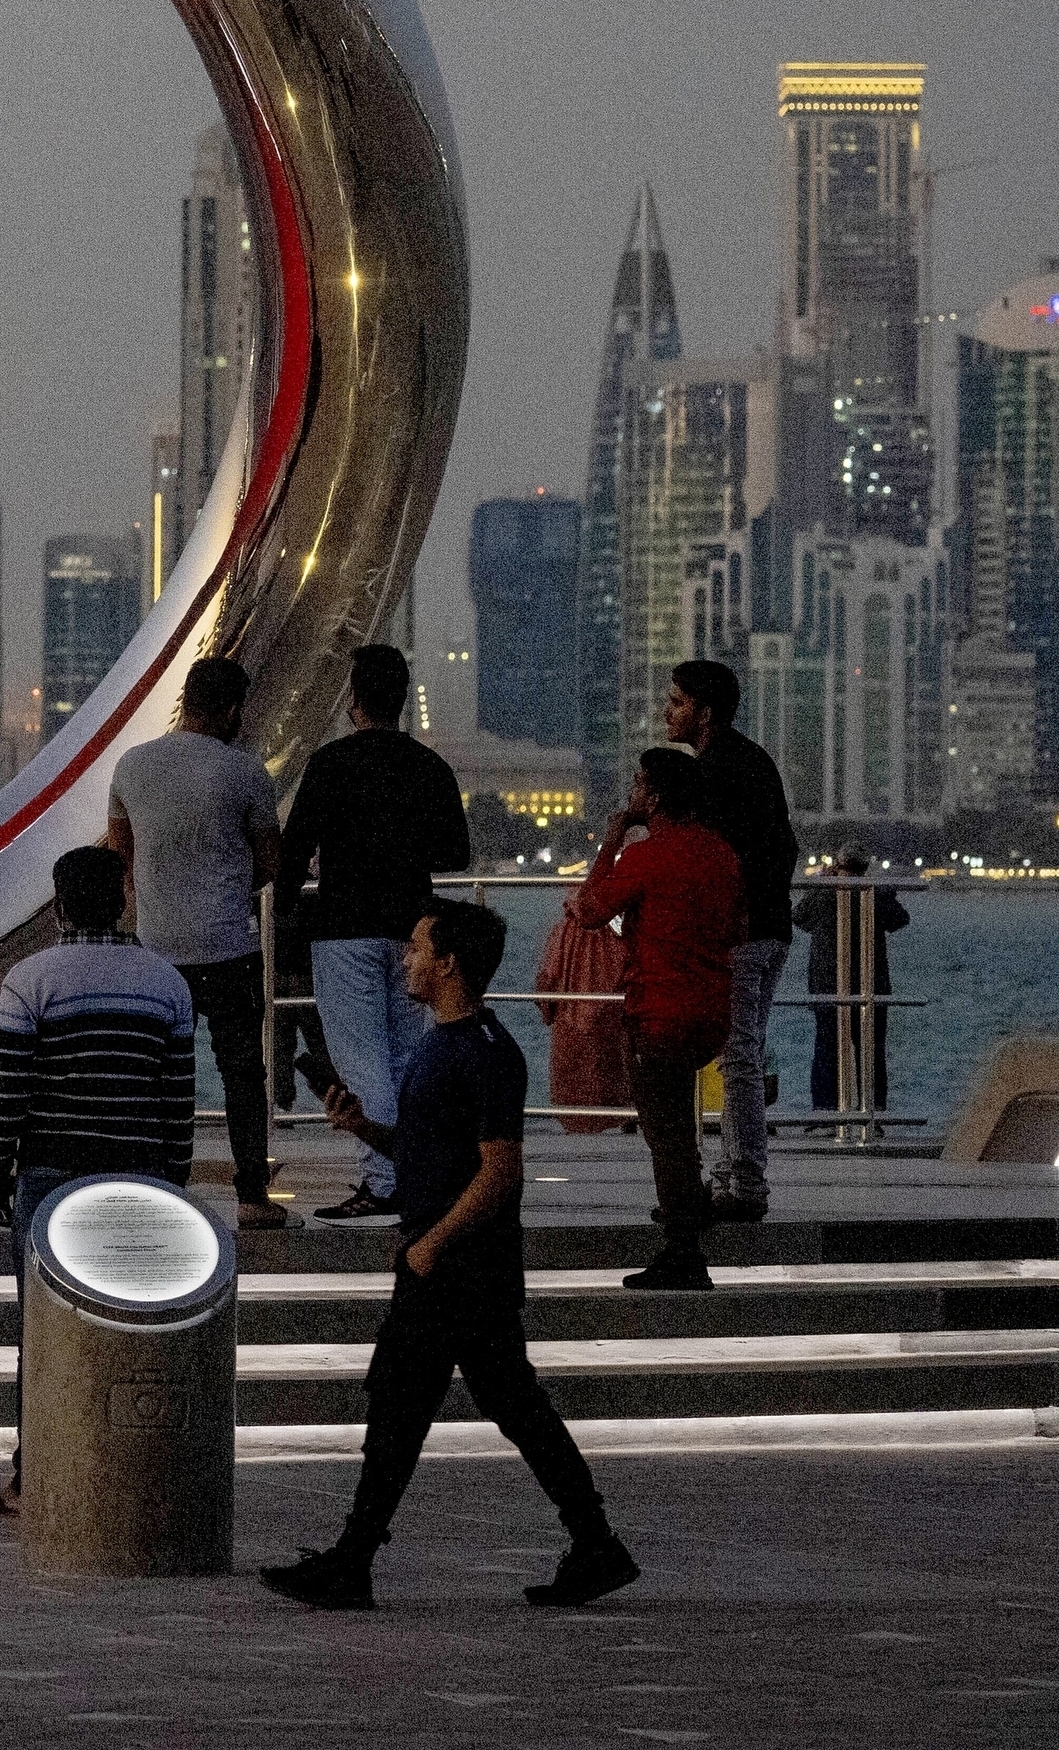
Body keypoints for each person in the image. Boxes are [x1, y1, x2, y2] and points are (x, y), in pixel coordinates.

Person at [261, 900, 637, 1611]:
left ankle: (355, 1560)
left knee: (411, 1408)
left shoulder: (485, 1054)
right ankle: (592, 1542)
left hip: (459, 1267)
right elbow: (432, 1155)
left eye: (416, 948)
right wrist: (365, 1128)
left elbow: (500, 1169)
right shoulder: (443, 1048)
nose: (406, 959)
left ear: (449, 962)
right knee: (489, 1405)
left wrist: (430, 1245)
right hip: (456, 1264)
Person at [0, 843, 196, 1517]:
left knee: (41, 1335)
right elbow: (177, 1099)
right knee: (133, 1330)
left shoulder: (32, 978)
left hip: (51, 1180)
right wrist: (173, 1182)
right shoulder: (168, 983)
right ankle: (131, 1471)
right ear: (124, 898)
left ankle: (33, 1478)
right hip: (140, 1180)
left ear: (60, 906)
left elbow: (5, 1091)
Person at [273, 643, 466, 1225]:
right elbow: (455, 852)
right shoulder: (428, 766)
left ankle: (387, 1181)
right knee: (407, 1056)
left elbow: (293, 854)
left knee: (359, 1061)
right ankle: (416, 1170)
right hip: (412, 931)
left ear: (353, 699)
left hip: (344, 930)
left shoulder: (331, 763)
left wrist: (281, 914)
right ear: (403, 699)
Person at [106, 653, 289, 1228]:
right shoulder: (245, 773)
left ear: (185, 700)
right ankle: (252, 1196)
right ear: (233, 710)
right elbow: (270, 862)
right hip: (230, 946)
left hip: (159, 951)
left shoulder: (131, 768)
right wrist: (228, 884)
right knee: (242, 1076)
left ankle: (166, 1190)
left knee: (163, 1079)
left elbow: (119, 858)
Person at [566, 746, 741, 1291]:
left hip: (659, 1012)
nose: (633, 794)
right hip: (710, 1012)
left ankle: (683, 1250)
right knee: (678, 1132)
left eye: (639, 785)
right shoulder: (722, 854)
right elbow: (737, 926)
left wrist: (615, 835)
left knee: (666, 1137)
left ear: (655, 797)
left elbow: (589, 909)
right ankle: (687, 1219)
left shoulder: (646, 855)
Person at [666, 658, 801, 1223]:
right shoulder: (754, 760)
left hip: (741, 936)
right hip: (772, 929)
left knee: (739, 1058)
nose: (666, 712)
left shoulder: (712, 773)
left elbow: (710, 862)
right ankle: (739, 1176)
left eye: (676, 703)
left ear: (705, 712)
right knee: (742, 1053)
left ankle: (744, 1183)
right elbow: (785, 849)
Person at [806, 844, 908, 1112]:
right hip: (870, 984)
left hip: (828, 984)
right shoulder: (873, 893)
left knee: (827, 1052)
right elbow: (899, 919)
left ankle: (825, 1115)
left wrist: (820, 882)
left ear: (837, 865)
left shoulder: (824, 893)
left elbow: (800, 918)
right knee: (871, 1054)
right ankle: (872, 1113)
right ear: (865, 867)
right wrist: (883, 888)